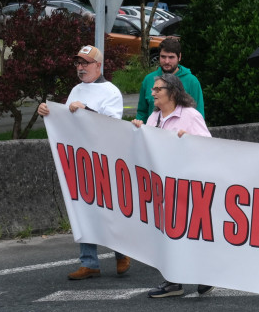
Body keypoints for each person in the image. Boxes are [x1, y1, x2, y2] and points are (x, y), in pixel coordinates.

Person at [37, 45, 129, 280]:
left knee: (109, 209)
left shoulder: (111, 91)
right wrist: (48, 112)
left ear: (98, 66)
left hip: (104, 159)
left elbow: (112, 125)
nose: (80, 67)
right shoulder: (76, 89)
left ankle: (123, 253)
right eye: (78, 63)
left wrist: (85, 109)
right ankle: (89, 262)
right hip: (80, 159)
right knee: (83, 208)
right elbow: (67, 120)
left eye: (85, 63)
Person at [131, 73, 214, 298]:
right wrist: (138, 131)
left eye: (158, 89)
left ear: (173, 92)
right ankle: (174, 281)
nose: (153, 93)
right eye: (153, 89)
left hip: (187, 184)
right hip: (162, 185)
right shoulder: (154, 118)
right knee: (168, 232)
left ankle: (203, 274)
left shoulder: (190, 116)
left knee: (188, 231)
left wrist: (189, 140)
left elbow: (209, 147)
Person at [135, 36, 204, 123]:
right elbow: (142, 112)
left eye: (171, 57)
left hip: (180, 134)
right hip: (152, 133)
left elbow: (199, 115)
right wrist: (139, 125)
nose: (167, 61)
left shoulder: (192, 81)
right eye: (163, 57)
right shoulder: (149, 79)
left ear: (179, 57)